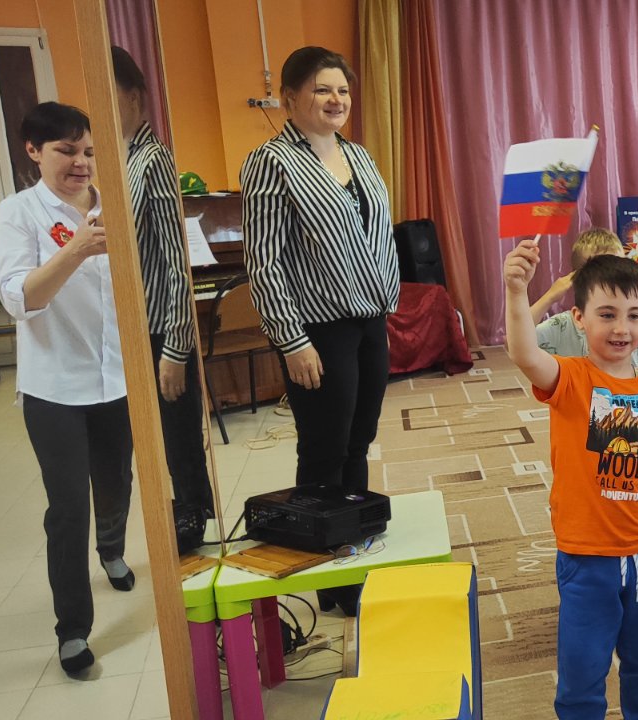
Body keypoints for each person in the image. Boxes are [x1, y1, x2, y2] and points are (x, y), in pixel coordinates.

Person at [503, 239, 638, 720]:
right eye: (607, 314)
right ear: (579, 318)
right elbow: (524, 353)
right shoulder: (569, 379)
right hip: (587, 556)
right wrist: (515, 291)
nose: (621, 328)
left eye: (634, 316)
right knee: (582, 671)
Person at [241, 47, 397, 615]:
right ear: (289, 98)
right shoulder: (271, 162)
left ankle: (353, 547)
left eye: (343, 90)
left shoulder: (358, 154)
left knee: (359, 440)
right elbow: (265, 262)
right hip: (318, 330)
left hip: (370, 320)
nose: (336, 100)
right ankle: (326, 567)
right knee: (325, 448)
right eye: (322, 89)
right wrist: (291, 340)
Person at [0, 102, 134, 676]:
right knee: (69, 507)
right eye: (66, 151)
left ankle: (113, 550)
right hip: (54, 387)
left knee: (116, 482)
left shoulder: (114, 204)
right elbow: (19, 298)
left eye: (89, 152)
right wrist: (76, 248)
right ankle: (73, 630)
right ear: (33, 151)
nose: (81, 163)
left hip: (117, 377)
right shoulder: (18, 213)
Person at [112, 46, 212, 547]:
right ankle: (180, 522)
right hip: (136, 327)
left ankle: (192, 523)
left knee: (179, 437)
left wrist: (175, 349)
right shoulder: (122, 158)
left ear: (134, 96)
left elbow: (177, 262)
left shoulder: (152, 159)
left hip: (161, 329)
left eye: (110, 94)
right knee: (159, 437)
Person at [534, 227, 638, 368]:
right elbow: (519, 341)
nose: (621, 329)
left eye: (618, 269)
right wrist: (549, 297)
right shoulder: (560, 327)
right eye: (607, 315)